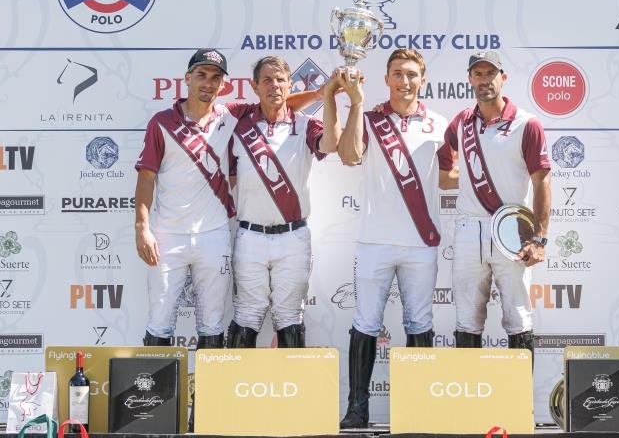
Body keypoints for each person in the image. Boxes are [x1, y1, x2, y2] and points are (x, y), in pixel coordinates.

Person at [134, 48, 319, 350]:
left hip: (213, 235)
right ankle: (155, 384)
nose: (208, 83)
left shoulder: (229, 116)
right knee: (160, 319)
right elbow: (146, 177)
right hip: (168, 235)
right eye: (201, 75)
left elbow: (278, 105)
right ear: (188, 78)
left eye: (215, 78)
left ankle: (210, 384)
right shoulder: (162, 122)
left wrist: (320, 94)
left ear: (223, 85)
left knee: (212, 323)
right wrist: (142, 227)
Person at [336, 48, 452, 429]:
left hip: (421, 243)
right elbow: (349, 156)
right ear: (386, 79)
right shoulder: (369, 120)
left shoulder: (439, 124)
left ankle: (418, 410)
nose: (405, 81)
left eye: (412, 74)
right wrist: (355, 104)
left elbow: (450, 176)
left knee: (420, 323)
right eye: (398, 74)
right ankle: (357, 409)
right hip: (375, 241)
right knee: (366, 323)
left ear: (423, 80)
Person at [441, 51, 551, 359]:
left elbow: (542, 183)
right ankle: (469, 390)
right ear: (469, 79)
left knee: (518, 318)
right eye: (478, 74)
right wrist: (465, 178)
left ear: (503, 77)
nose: (484, 79)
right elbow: (443, 175)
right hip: (468, 229)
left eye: (491, 73)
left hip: (512, 231)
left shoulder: (527, 123)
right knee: (467, 320)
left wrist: (539, 238)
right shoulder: (461, 122)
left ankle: (521, 393)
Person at [226, 56, 340, 348]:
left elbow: (329, 144)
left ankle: (294, 380)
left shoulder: (306, 125)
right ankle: (236, 379)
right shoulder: (238, 121)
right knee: (247, 314)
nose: (274, 85)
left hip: (293, 237)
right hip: (250, 235)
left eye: (280, 80)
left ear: (290, 85)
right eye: (267, 80)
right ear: (254, 86)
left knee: (290, 315)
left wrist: (326, 97)